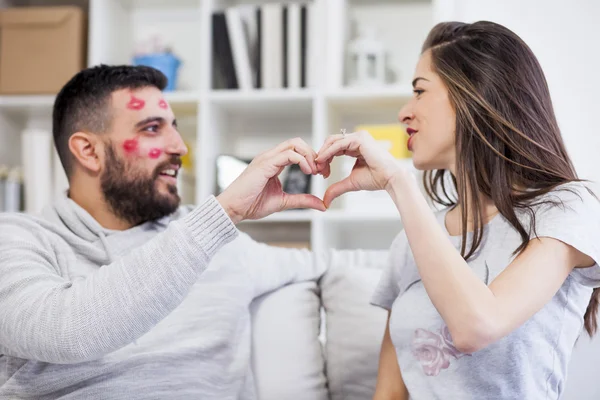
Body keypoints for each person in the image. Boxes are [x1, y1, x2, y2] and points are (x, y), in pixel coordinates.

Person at [0, 65, 328, 399]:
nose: (179, 147)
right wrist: (224, 211)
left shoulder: (224, 247)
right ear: (89, 151)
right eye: (152, 128)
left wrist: (385, 181)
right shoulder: (17, 239)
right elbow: (63, 331)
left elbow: (333, 264)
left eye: (175, 127)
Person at [315, 21, 600, 399]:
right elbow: (390, 393)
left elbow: (477, 326)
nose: (405, 112)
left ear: (475, 93)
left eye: (419, 91)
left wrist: (398, 183)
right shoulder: (411, 242)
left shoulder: (566, 209)